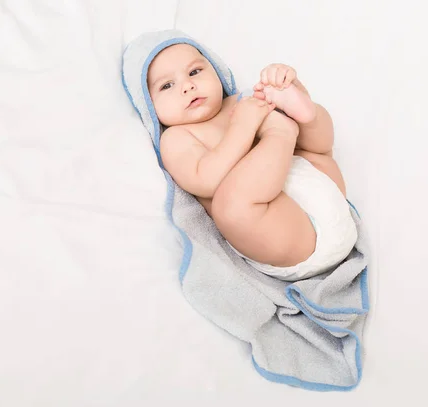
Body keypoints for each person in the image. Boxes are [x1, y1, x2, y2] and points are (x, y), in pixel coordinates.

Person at [146, 43, 356, 279]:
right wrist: (243, 126)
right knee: (230, 207)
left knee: (316, 149)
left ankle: (307, 114)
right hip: (289, 235)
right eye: (167, 85)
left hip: (330, 197)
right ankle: (282, 133)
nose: (187, 86)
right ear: (149, 105)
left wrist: (283, 90)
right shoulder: (177, 137)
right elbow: (205, 181)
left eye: (194, 72)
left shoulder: (243, 101)